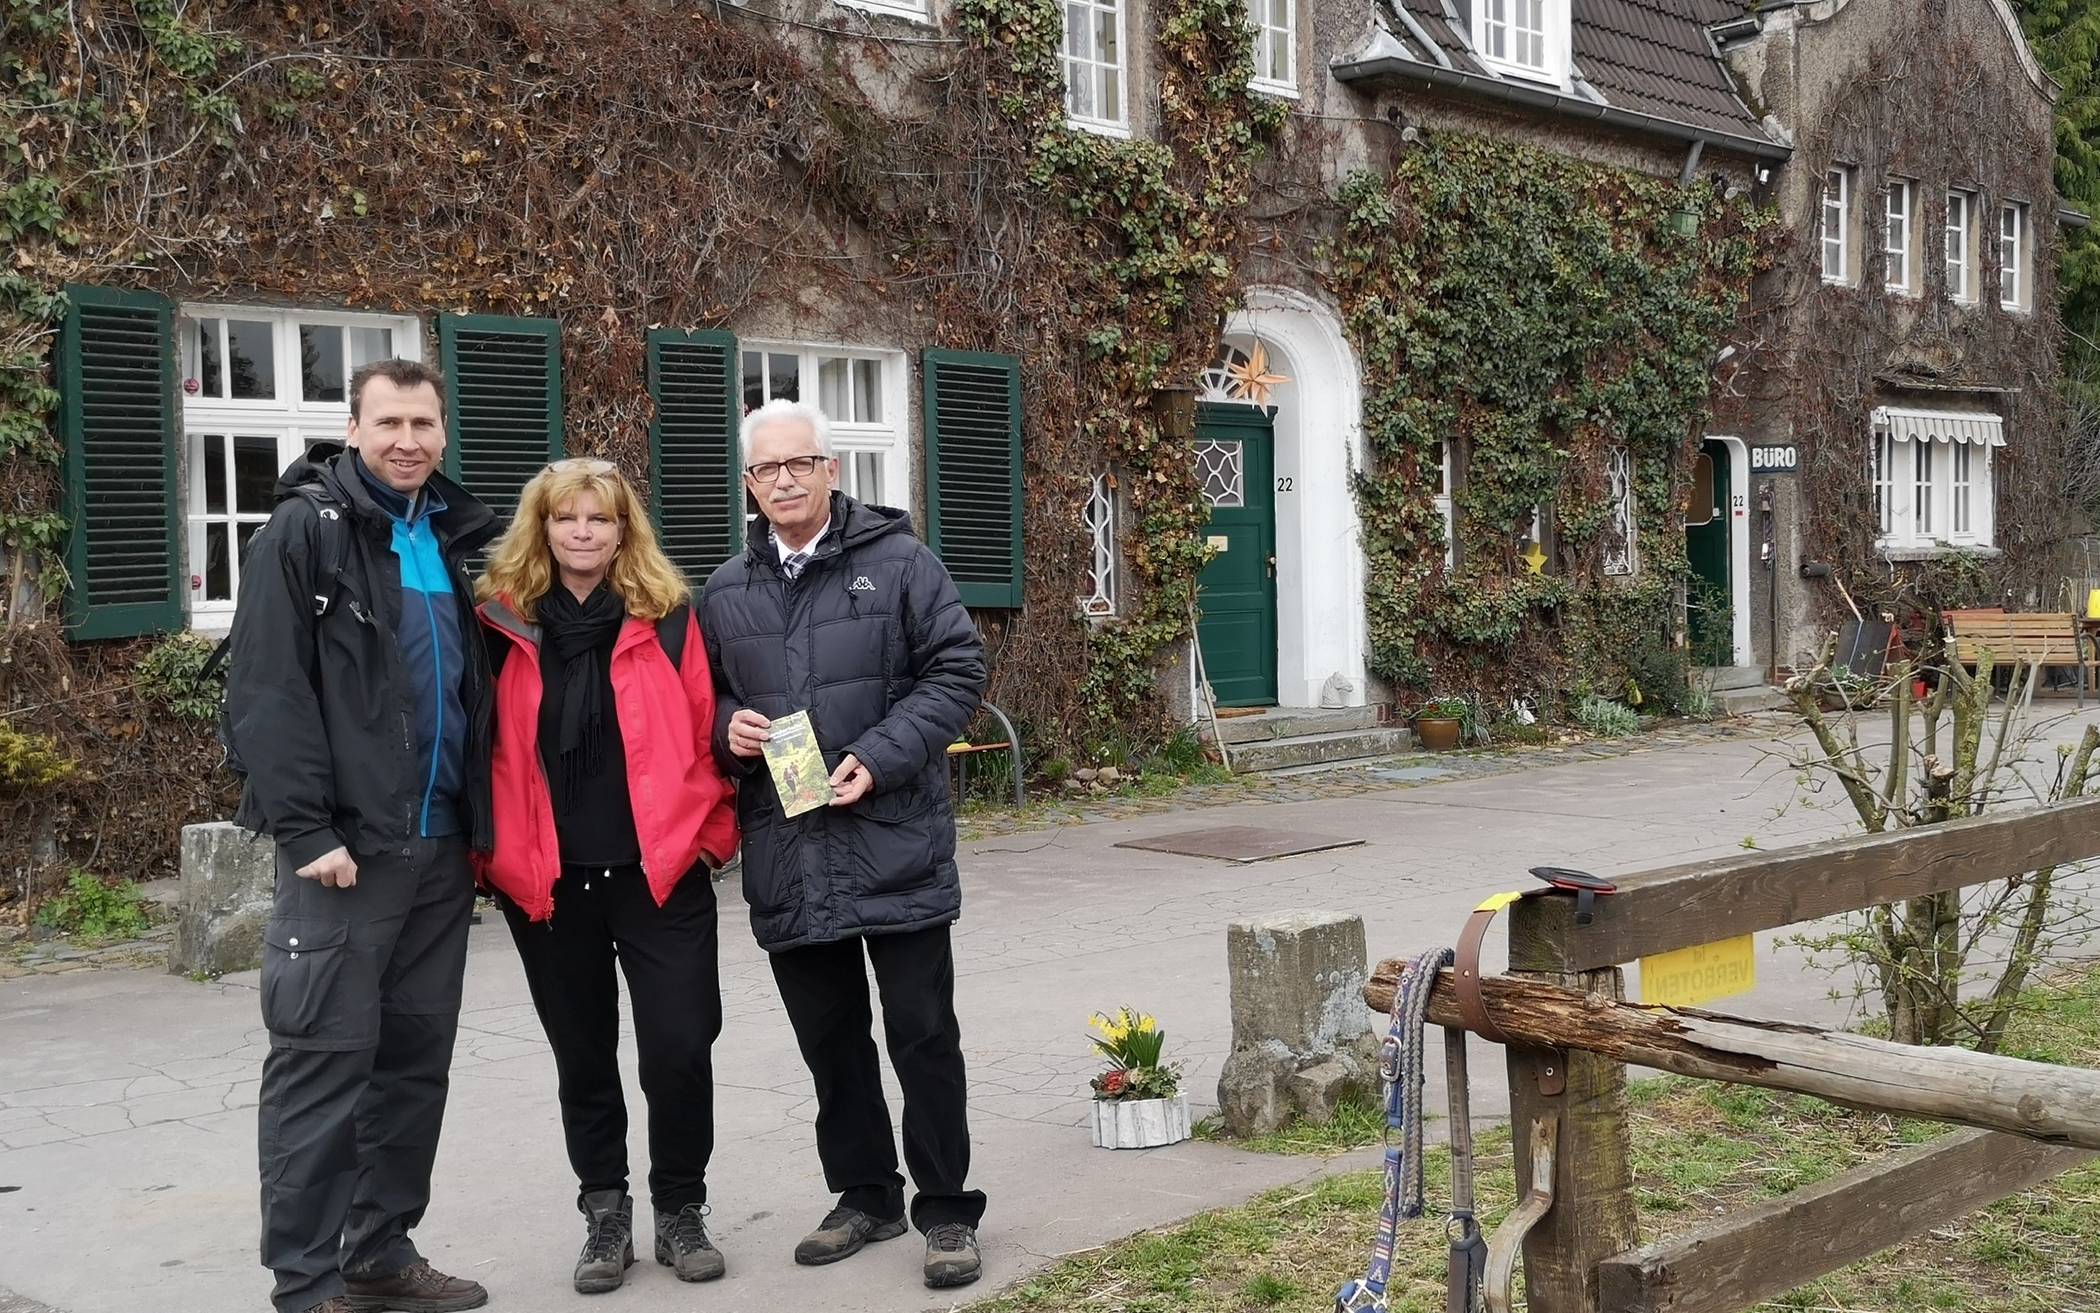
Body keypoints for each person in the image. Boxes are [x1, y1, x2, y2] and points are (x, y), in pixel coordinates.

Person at [224, 359, 496, 1313]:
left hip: (440, 849)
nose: (408, 440)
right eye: (389, 422)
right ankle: (305, 1284)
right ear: (353, 427)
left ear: (442, 433)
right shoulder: (307, 530)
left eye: (424, 422)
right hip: (344, 857)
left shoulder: (449, 537)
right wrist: (305, 829)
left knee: (413, 1065)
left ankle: (378, 1251)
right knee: (321, 1067)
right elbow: (265, 691)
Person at [700, 397, 989, 1290]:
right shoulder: (722, 590)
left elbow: (959, 670)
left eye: (799, 463)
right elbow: (698, 704)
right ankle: (865, 1193)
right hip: (790, 855)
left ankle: (946, 1211)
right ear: (749, 484)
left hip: (893, 840)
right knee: (831, 1040)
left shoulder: (902, 563)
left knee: (922, 1033)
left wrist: (879, 754)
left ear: (831, 469)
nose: (783, 480)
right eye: (765, 469)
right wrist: (726, 731)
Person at [472, 459, 740, 1295]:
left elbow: (712, 724)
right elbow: (476, 745)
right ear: (541, 527)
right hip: (550, 884)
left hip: (661, 875)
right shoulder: (498, 622)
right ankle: (605, 1214)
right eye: (566, 518)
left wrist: (711, 838)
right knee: (582, 1054)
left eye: (600, 518)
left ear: (626, 529)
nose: (583, 532)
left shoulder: (667, 618)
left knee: (679, 1046)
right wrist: (488, 855)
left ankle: (681, 1207)